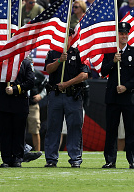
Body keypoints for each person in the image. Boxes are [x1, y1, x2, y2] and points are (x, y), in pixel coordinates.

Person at [101, 22, 134, 169]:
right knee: (111, 130)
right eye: (121, 33)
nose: (124, 36)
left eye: (126, 33)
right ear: (117, 35)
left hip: (129, 97)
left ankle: (133, 160)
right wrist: (113, 61)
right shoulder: (109, 52)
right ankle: (110, 160)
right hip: (113, 97)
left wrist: (126, 87)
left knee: (131, 130)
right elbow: (103, 71)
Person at [43, 28, 89, 168]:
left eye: (68, 36)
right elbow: (48, 69)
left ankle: (75, 159)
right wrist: (59, 61)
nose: (65, 38)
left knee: (75, 127)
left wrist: (67, 84)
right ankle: (51, 159)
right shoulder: (53, 53)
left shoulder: (79, 52)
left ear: (72, 37)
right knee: (53, 127)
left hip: (73, 96)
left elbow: (85, 74)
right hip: (56, 95)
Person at [0, 56, 35, 168]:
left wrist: (15, 89)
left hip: (19, 102)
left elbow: (30, 81)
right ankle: (6, 159)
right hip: (4, 102)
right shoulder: (1, 62)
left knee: (19, 132)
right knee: (5, 133)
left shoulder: (26, 63)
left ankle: (17, 158)